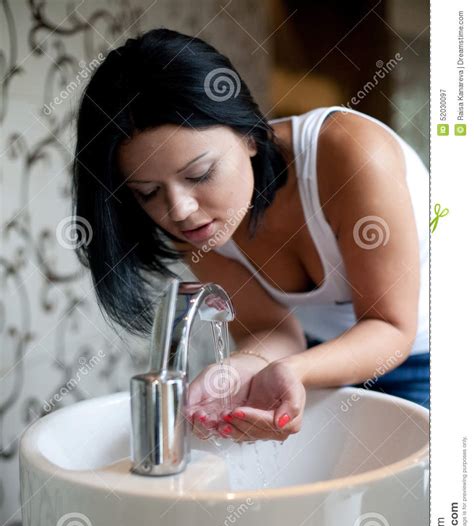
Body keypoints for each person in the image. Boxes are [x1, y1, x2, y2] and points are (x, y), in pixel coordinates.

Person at [72, 27, 429, 444]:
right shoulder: (191, 220)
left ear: (249, 135)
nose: (179, 210)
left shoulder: (349, 152)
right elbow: (270, 326)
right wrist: (239, 367)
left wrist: (297, 369)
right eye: (148, 192)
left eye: (200, 174)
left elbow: (389, 327)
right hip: (328, 360)